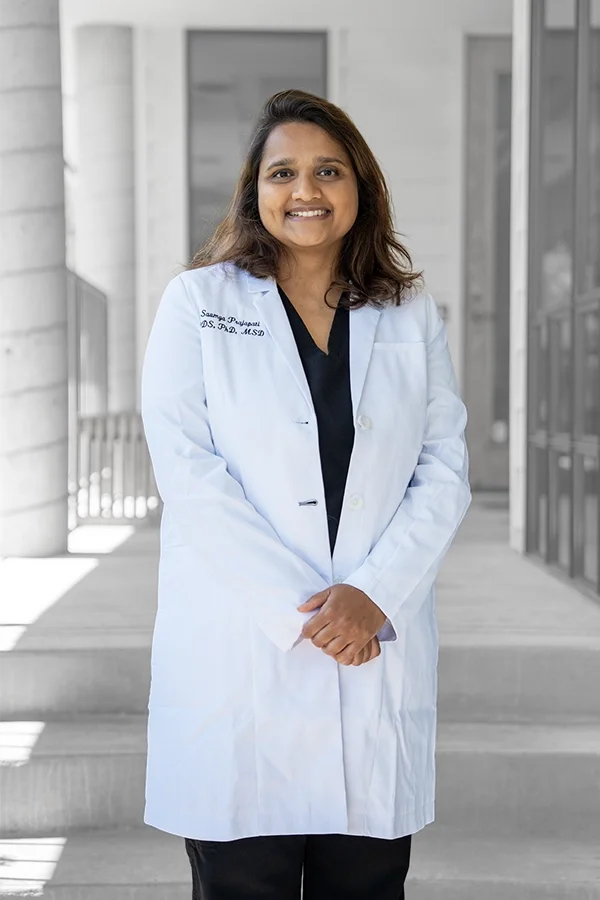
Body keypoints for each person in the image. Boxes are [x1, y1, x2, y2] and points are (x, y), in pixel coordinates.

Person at [141, 89, 471, 900]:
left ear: (361, 186)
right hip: (241, 654)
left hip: (371, 643)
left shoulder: (408, 311)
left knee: (364, 882)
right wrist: (314, 614)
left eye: (329, 170)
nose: (306, 191)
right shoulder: (199, 303)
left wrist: (373, 594)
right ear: (255, 190)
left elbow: (443, 466)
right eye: (282, 172)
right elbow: (189, 472)